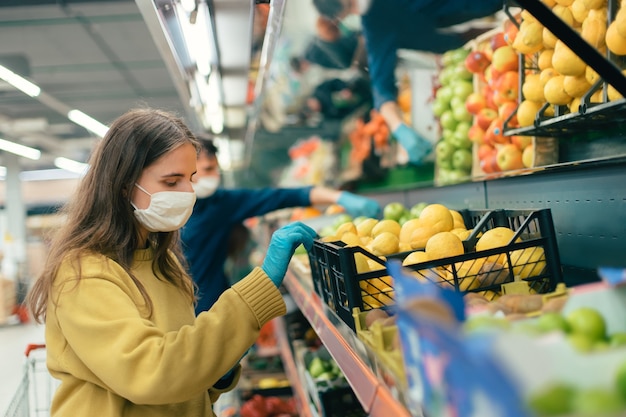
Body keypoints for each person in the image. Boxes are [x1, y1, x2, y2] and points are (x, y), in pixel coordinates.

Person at [25, 108, 318, 417]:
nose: (188, 193)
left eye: (191, 179)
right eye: (171, 181)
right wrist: (253, 297)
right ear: (124, 186)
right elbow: (151, 374)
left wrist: (217, 370)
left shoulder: (162, 262)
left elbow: (180, 371)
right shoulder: (83, 274)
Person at [183, 136, 381, 315]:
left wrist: (338, 197)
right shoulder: (174, 210)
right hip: (182, 308)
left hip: (212, 302)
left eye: (216, 169)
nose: (214, 177)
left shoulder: (220, 203)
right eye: (208, 170)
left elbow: (282, 196)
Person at [312, 0, 503, 165]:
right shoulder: (375, 21)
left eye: (351, 4)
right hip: (469, 39)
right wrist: (398, 126)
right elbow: (381, 84)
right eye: (349, 12)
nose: (356, 9)